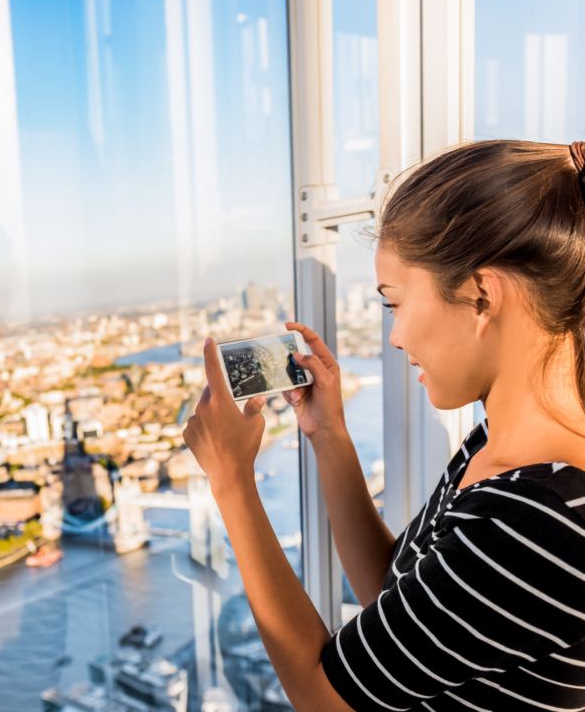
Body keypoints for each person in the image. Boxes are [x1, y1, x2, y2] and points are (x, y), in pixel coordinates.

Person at [183, 138, 585, 711]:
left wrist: (231, 481)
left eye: (393, 302)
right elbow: (404, 605)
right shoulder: (498, 445)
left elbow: (324, 699)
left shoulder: (537, 522)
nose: (394, 337)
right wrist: (329, 437)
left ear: (480, 295)